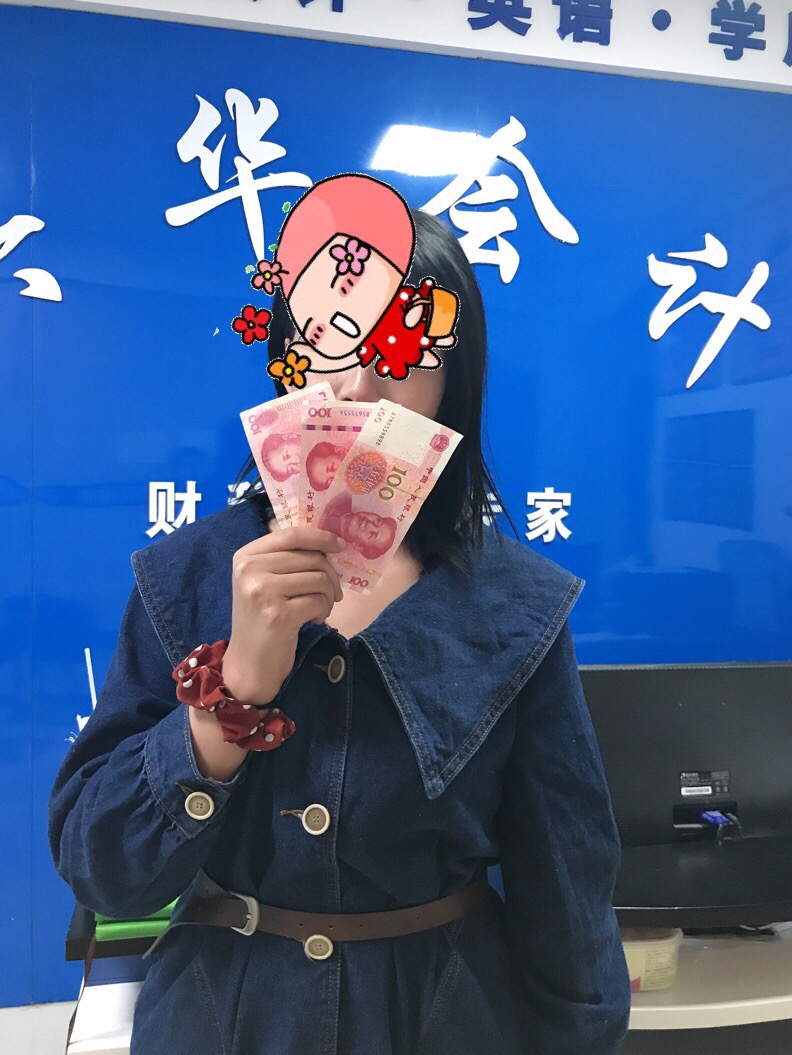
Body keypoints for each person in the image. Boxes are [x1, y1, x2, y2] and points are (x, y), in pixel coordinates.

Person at [48, 208, 631, 1055]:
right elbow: (102, 870)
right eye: (330, 337)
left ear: (452, 384)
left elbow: (568, 891)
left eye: (402, 348)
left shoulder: (520, 605)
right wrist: (230, 696)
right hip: (222, 1021)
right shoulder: (183, 578)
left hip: (445, 1021)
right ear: (289, 358)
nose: (358, 385)